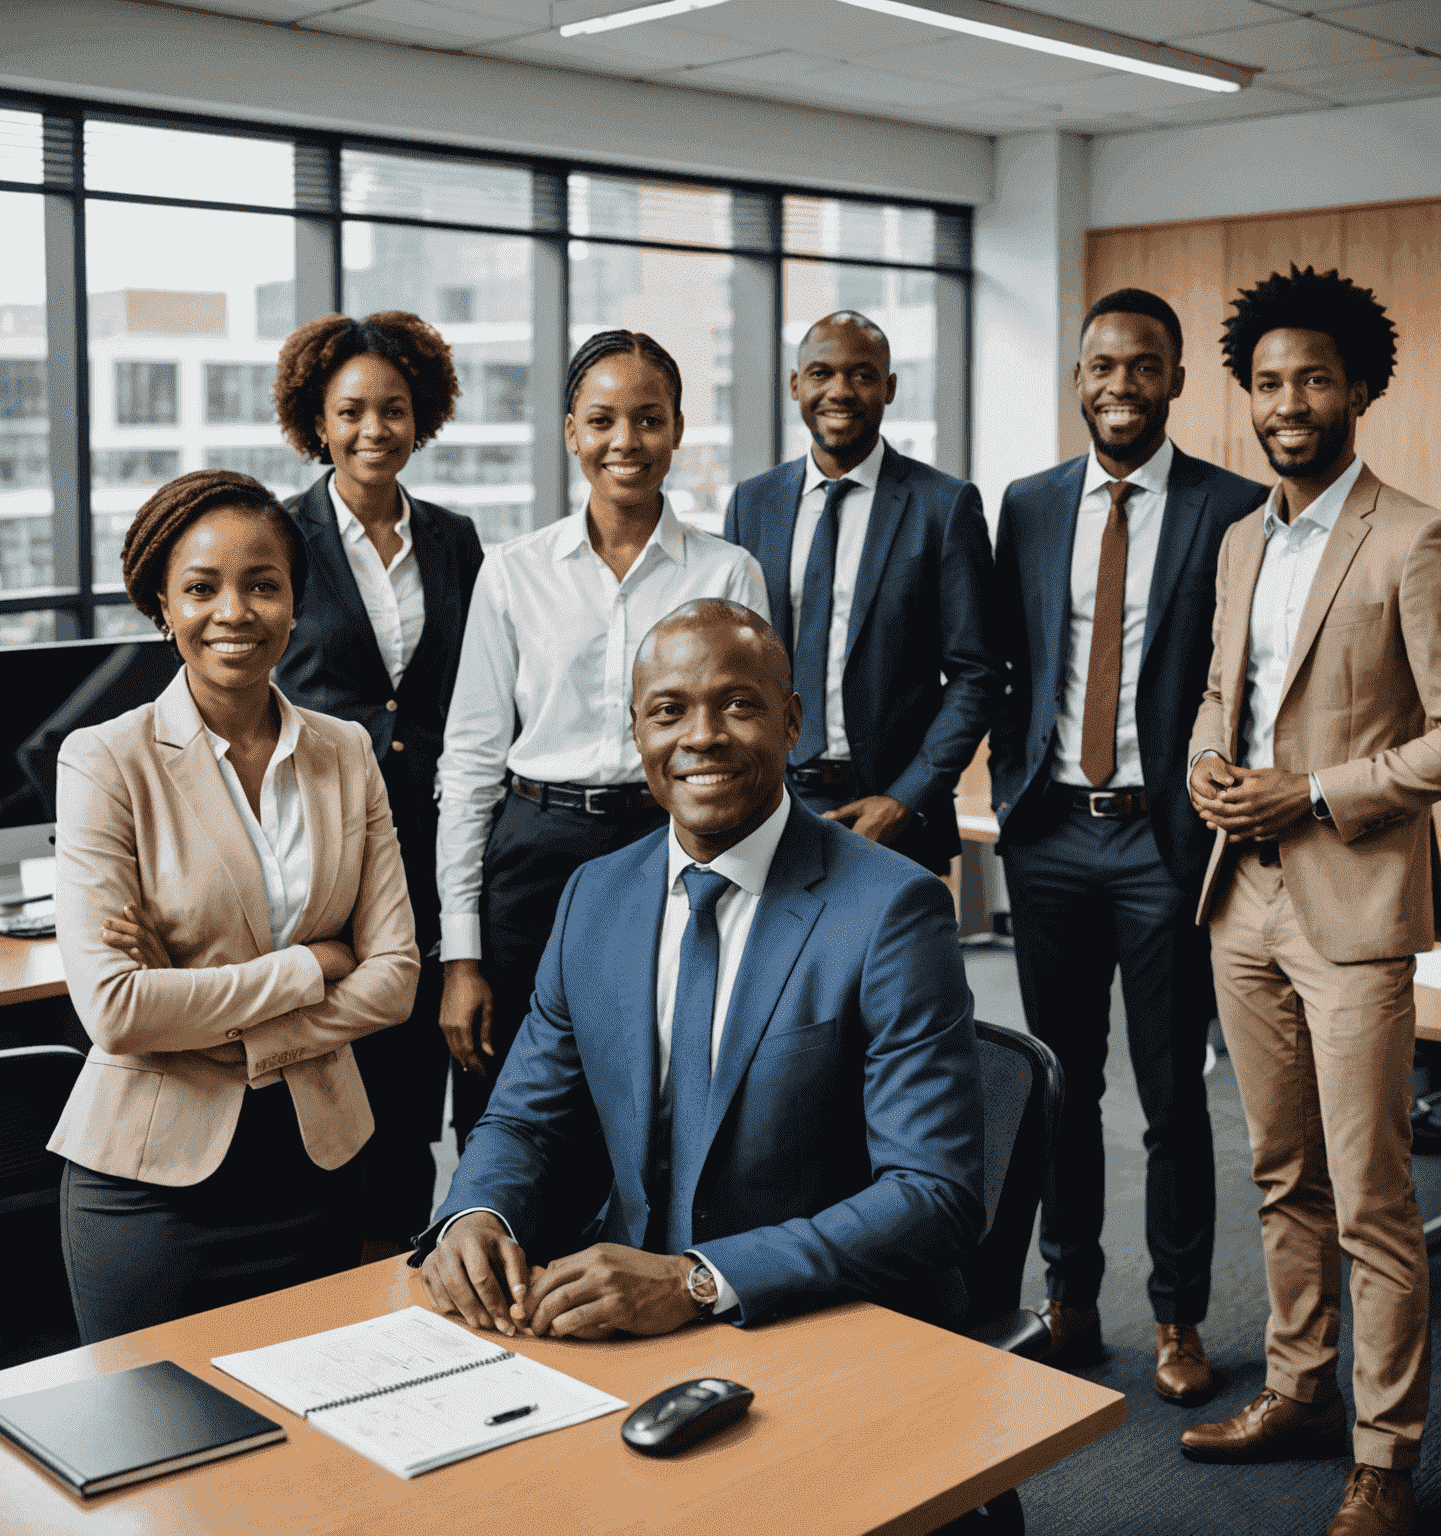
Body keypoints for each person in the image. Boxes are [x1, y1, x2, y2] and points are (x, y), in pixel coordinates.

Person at [415, 598, 983, 1340]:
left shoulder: (892, 909)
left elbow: (934, 1192)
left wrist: (699, 1281)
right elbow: (525, 1117)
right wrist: (475, 1213)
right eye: (669, 711)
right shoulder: (596, 895)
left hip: (818, 1322)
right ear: (637, 733)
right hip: (619, 1314)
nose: (702, 737)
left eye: (739, 705)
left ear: (791, 722)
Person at [1183, 266, 1441, 1536]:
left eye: (1314, 378)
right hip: (1238, 898)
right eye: (1268, 383)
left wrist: (1311, 793)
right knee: (1279, 1171)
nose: (1290, 402)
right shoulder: (1239, 539)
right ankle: (1300, 1387)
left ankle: (1387, 1449)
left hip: (1352, 899)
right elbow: (1228, 692)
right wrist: (1215, 764)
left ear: (1360, 387)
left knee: (1371, 1189)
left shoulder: (1419, 538)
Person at [49, 470, 420, 1344]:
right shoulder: (106, 761)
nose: (236, 612)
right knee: (157, 1460)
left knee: (315, 1456)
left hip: (318, 1165)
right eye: (202, 588)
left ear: (296, 602)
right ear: (163, 606)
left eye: (263, 586)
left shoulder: (346, 751)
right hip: (151, 1192)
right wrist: (314, 965)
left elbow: (399, 978)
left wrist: (212, 1004)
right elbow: (117, 1009)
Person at [989, 291, 1266, 1399]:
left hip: (1164, 840)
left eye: (1143, 366)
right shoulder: (1031, 503)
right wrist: (1010, 785)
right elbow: (1012, 652)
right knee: (1060, 1083)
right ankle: (1067, 1295)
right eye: (1102, 365)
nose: (1120, 384)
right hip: (1051, 833)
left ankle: (1179, 1316)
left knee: (1170, 1095)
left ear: (1176, 379)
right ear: (1078, 377)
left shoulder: (1232, 506)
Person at [436, 331, 769, 1155]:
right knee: (510, 1096)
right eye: (603, 420)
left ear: (680, 429)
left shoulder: (727, 573)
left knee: (657, 1093)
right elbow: (473, 762)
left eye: (649, 419)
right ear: (571, 432)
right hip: (533, 852)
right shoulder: (513, 572)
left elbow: (753, 749)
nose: (627, 441)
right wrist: (460, 956)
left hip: (672, 847)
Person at [272, 310, 483, 1258]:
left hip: (438, 840)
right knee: (329, 1076)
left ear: (421, 416)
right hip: (324, 848)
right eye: (350, 410)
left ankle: (415, 1259)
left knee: (415, 1081)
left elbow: (476, 690)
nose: (373, 430)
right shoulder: (276, 534)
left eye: (393, 410)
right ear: (316, 420)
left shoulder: (454, 538)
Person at [724, 310, 994, 875]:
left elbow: (976, 674)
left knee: (890, 967)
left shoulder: (943, 507)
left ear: (890, 387)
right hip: (771, 805)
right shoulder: (753, 504)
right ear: (796, 385)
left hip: (895, 812)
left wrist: (905, 799)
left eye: (862, 374)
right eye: (821, 373)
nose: (840, 391)